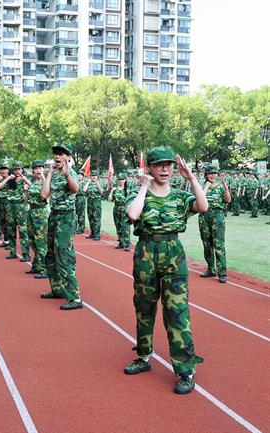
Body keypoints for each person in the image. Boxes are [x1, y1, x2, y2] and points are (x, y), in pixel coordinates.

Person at [124, 146, 208, 395]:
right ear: (150, 167)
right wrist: (144, 187)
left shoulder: (181, 197)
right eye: (159, 164)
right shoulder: (139, 194)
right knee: (144, 308)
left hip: (173, 254)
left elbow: (203, 207)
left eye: (169, 164)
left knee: (177, 312)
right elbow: (132, 214)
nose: (165, 169)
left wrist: (192, 178)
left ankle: (186, 370)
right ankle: (143, 356)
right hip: (146, 253)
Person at [40, 143, 83, 310]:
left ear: (68, 157)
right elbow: (44, 195)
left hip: (66, 218)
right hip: (54, 216)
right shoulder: (54, 174)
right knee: (50, 255)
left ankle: (75, 297)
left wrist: (66, 174)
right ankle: (57, 289)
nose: (57, 156)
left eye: (61, 153)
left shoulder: (71, 173)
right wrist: (50, 173)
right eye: (56, 153)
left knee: (64, 256)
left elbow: (75, 189)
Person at [199, 165, 231, 283]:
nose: (213, 175)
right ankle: (211, 269)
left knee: (219, 244)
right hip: (204, 216)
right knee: (207, 244)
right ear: (206, 175)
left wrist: (226, 189)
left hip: (217, 216)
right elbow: (199, 200)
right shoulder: (201, 187)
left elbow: (228, 200)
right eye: (210, 173)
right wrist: (206, 187)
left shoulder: (220, 187)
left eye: (215, 173)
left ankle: (222, 272)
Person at [0, 161, 30, 261]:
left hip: (21, 207)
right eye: (15, 169)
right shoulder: (10, 180)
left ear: (22, 169)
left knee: (23, 232)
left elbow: (31, 186)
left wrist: (24, 179)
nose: (17, 171)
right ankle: (13, 252)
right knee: (11, 231)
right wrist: (8, 178)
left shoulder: (25, 180)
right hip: (10, 207)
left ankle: (26, 254)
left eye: (19, 169)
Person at [26, 160, 49, 279]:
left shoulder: (46, 182)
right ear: (33, 170)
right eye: (36, 168)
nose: (38, 170)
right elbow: (27, 199)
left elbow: (45, 195)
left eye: (40, 168)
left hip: (41, 212)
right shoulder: (33, 182)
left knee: (41, 241)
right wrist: (26, 191)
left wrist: (44, 177)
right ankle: (36, 265)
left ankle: (45, 268)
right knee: (32, 239)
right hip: (31, 211)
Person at [108, 173, 131, 251]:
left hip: (124, 209)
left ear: (125, 180)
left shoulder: (127, 190)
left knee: (125, 227)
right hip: (116, 209)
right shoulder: (115, 189)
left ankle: (127, 244)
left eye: (122, 179)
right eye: (119, 179)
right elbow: (109, 199)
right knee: (118, 226)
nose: (121, 181)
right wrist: (112, 191)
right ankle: (121, 242)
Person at [83, 171, 103, 240]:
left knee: (96, 219)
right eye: (92, 175)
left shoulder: (100, 183)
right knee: (90, 218)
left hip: (96, 203)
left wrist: (97, 184)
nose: (93, 177)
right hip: (89, 203)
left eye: (95, 176)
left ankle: (97, 234)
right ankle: (92, 233)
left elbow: (101, 192)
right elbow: (84, 190)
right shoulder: (88, 183)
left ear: (97, 177)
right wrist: (88, 182)